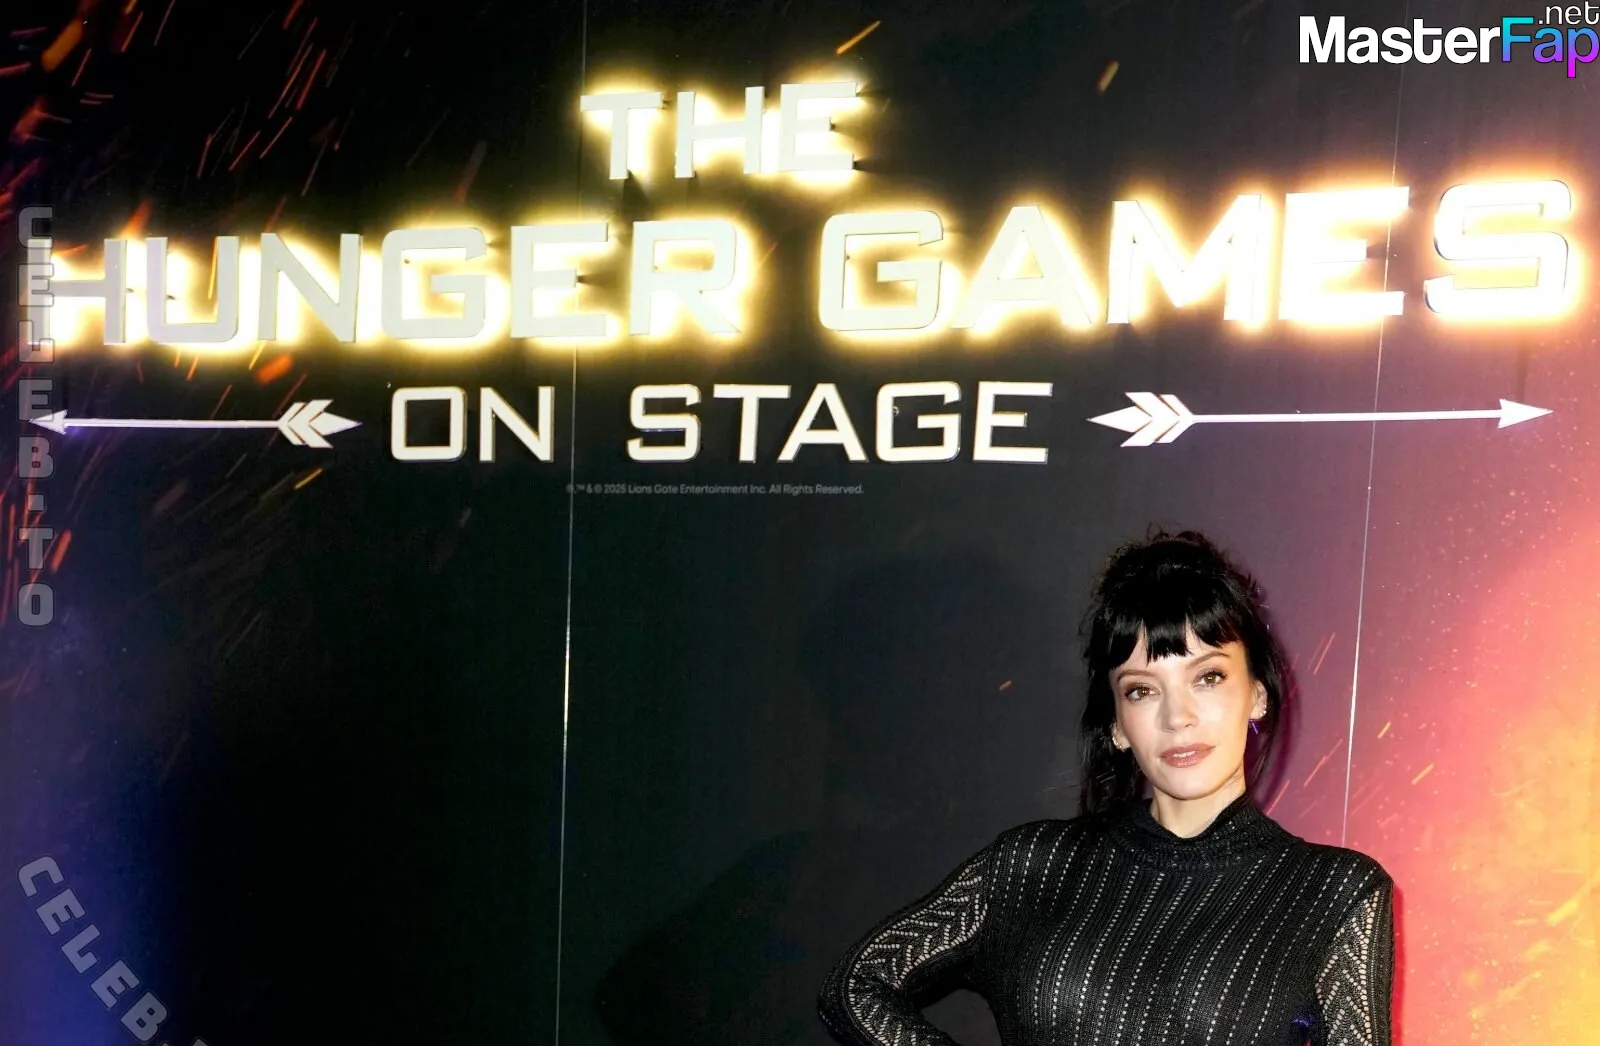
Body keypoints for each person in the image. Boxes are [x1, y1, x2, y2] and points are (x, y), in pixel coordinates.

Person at [816, 529, 1396, 1046]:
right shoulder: (1033, 865)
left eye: (1208, 677)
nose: (1178, 717)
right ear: (1117, 725)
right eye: (1142, 689)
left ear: (1258, 695)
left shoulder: (1334, 891)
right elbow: (856, 987)